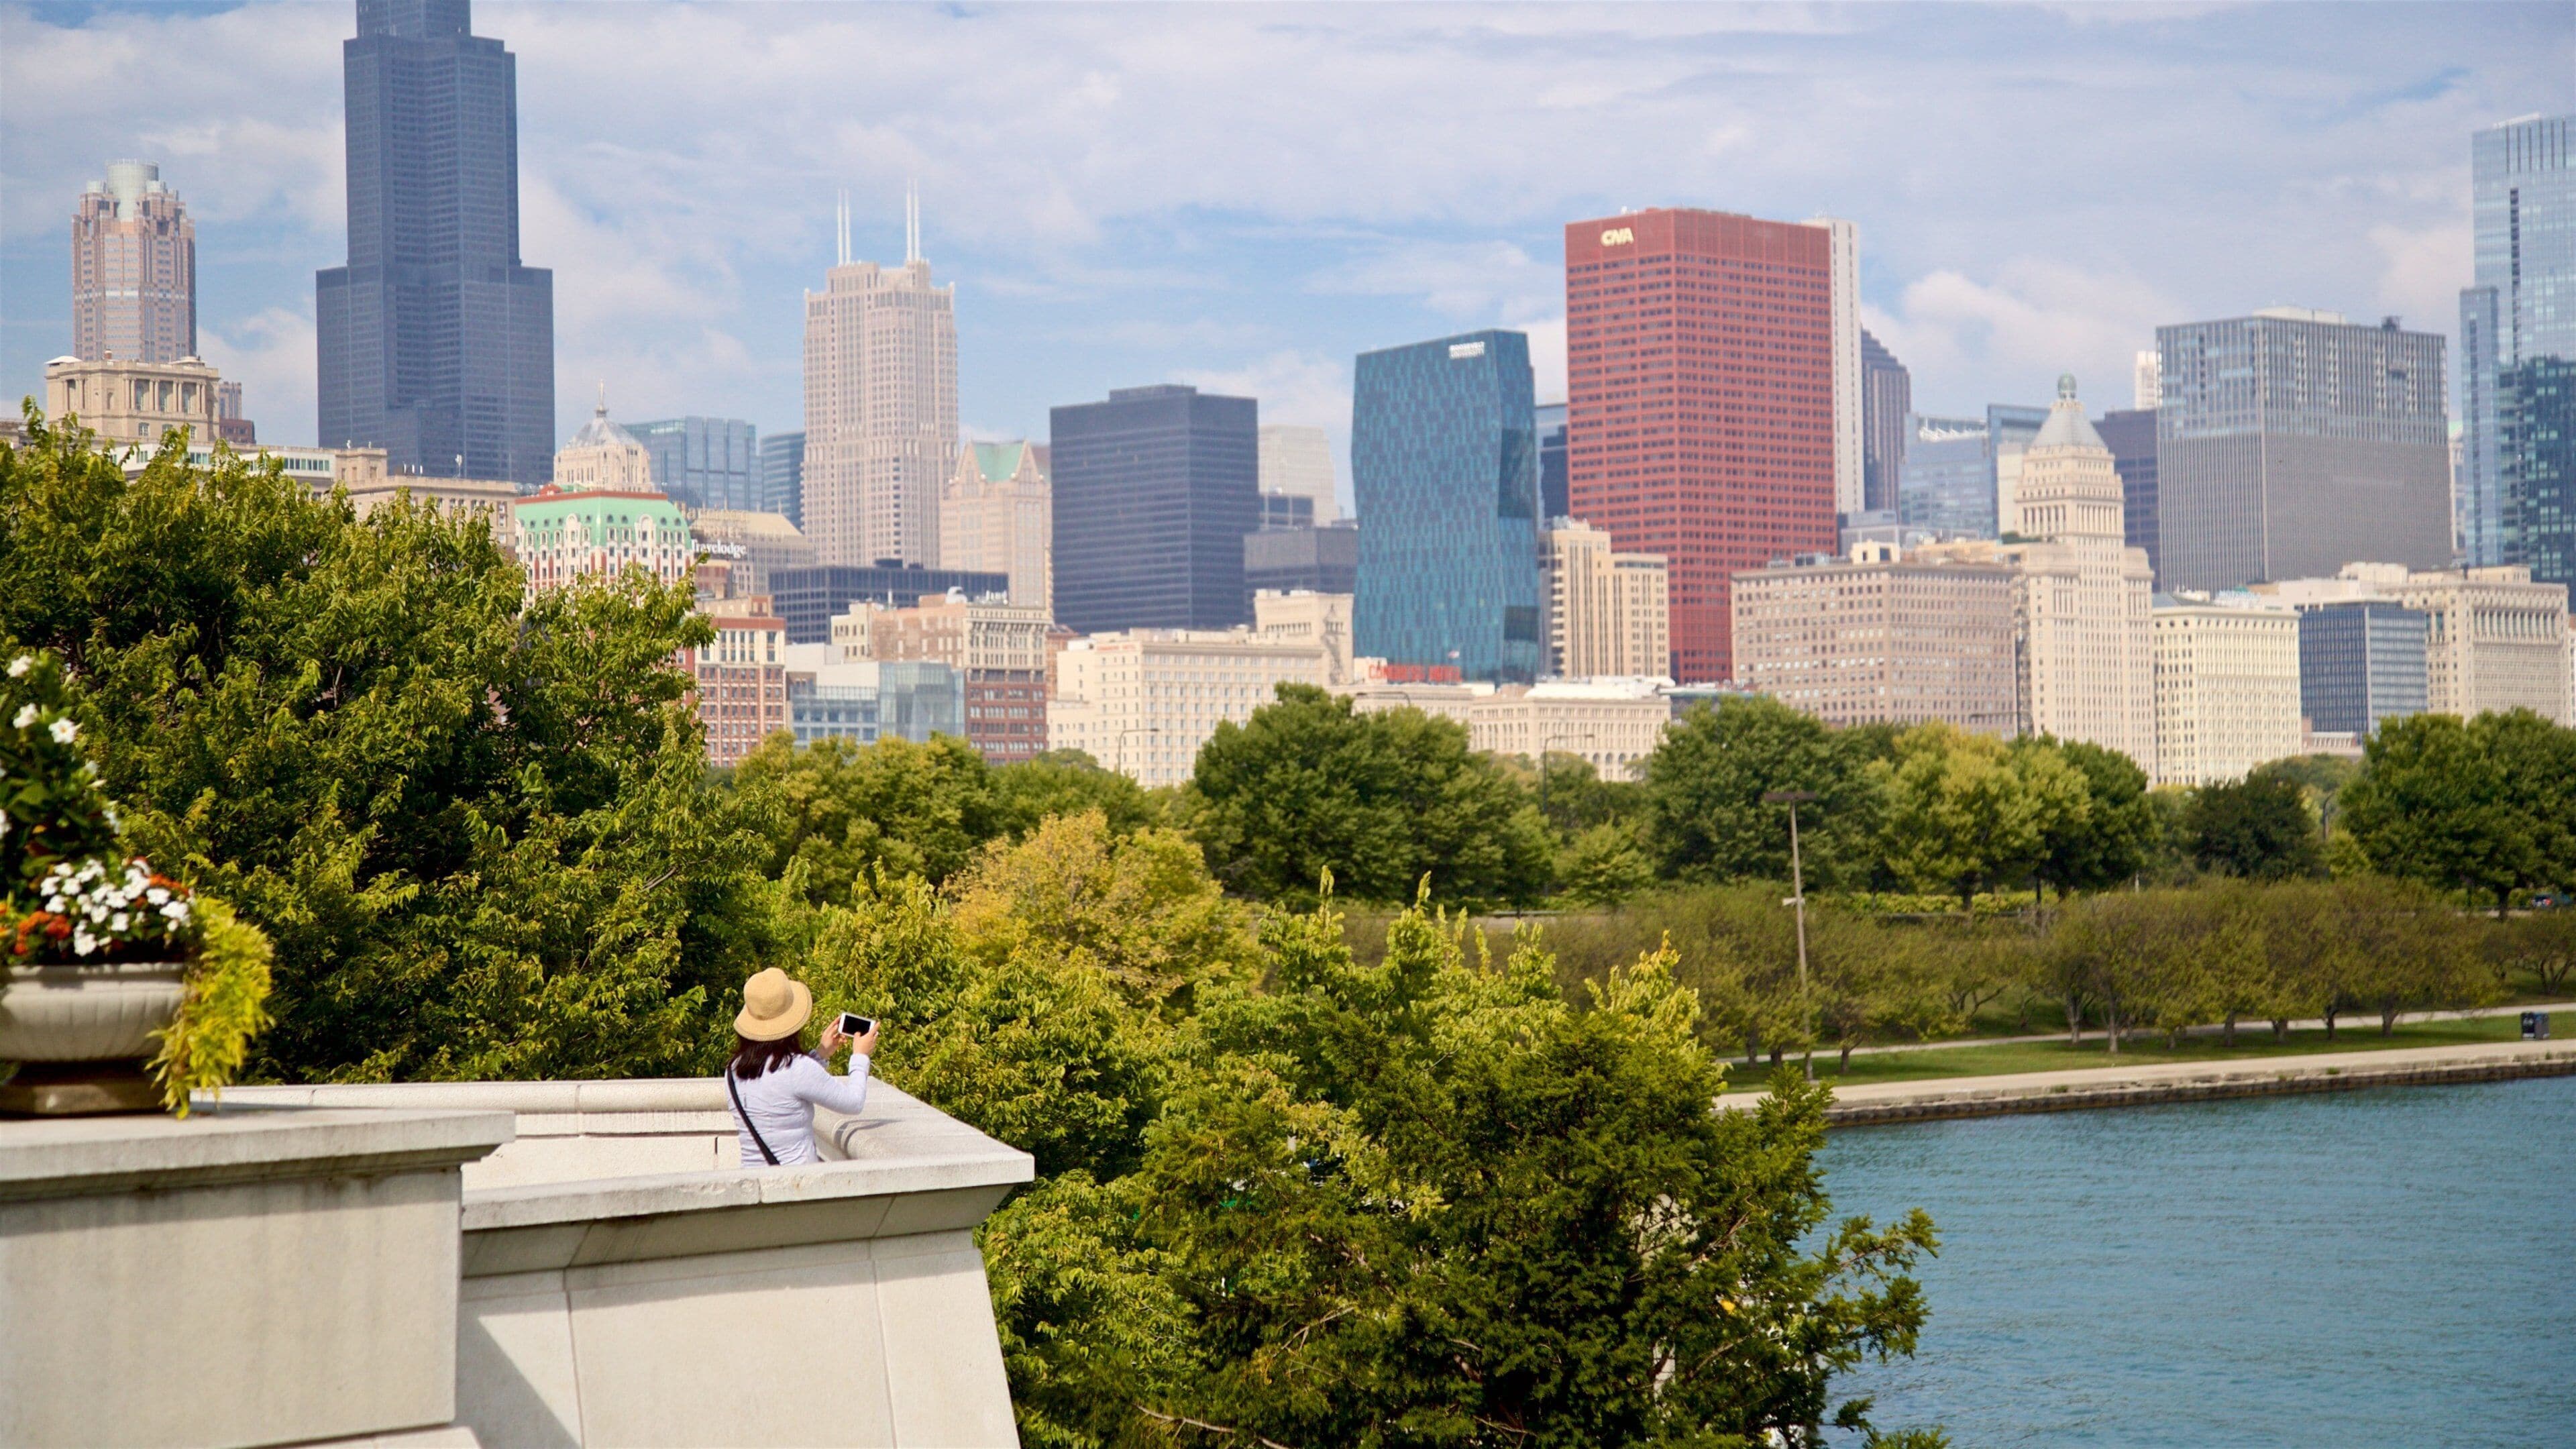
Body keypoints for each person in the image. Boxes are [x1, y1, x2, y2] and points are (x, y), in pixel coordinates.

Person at [723, 967, 879, 1167]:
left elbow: (781, 1084)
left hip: (753, 1184)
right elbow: (853, 1103)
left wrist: (822, 1053)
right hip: (795, 1185)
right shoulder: (798, 1068)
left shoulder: (733, 1070)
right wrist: (860, 1055)